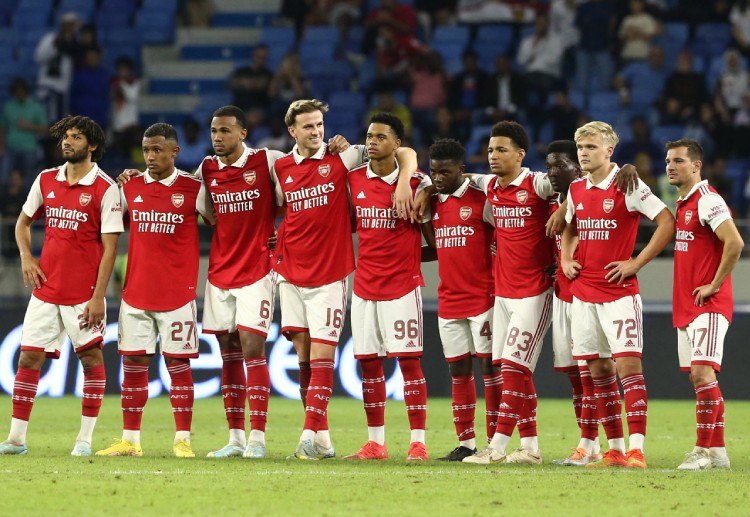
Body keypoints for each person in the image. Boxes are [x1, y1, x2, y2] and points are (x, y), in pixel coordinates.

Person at [272, 99, 418, 460]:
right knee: (304, 358)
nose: (316, 132)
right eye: (308, 126)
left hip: (330, 273)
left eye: (319, 125)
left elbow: (404, 151)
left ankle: (308, 436)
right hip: (290, 272)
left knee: (323, 355)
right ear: (292, 131)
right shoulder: (281, 166)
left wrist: (404, 181)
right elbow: (279, 208)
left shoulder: (344, 156)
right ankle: (322, 440)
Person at [0, 115, 122, 456]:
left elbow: (110, 248)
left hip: (83, 293)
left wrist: (98, 296)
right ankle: (16, 439)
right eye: (66, 136)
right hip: (46, 288)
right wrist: (27, 256)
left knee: (91, 359)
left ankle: (84, 440)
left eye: (76, 136)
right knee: (28, 358)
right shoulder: (45, 179)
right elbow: (22, 224)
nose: (67, 141)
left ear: (92, 145)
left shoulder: (105, 188)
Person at [561, 121, 675, 468]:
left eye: (591, 147)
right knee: (598, 369)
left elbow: (666, 221)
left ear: (609, 150)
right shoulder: (576, 188)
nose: (584, 153)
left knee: (628, 366)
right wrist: (566, 257)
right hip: (583, 293)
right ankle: (615, 450)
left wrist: (636, 262)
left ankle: (637, 450)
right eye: (581, 147)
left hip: (619, 293)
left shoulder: (628, 183)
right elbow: (570, 226)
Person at [95, 123, 213, 458]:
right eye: (147, 149)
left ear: (175, 152)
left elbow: (223, 221)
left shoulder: (193, 188)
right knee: (133, 364)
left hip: (178, 294)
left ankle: (182, 440)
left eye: (157, 150)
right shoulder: (129, 187)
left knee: (178, 365)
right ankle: (130, 440)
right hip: (136, 293)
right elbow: (106, 228)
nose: (150, 156)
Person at [463, 121, 557, 466]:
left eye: (501, 150)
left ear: (520, 154)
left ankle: (497, 447)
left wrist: (623, 168)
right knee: (510, 369)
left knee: (516, 367)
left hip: (535, 291)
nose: (493, 156)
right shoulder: (490, 186)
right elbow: (464, 178)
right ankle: (530, 447)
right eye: (490, 150)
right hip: (503, 293)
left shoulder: (538, 184)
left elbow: (574, 181)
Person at [197, 106, 286, 459]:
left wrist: (283, 232)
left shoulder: (267, 161)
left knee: (252, 348)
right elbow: (202, 210)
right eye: (214, 131)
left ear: (242, 133)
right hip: (220, 271)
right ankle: (235, 438)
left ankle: (257, 439)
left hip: (258, 269)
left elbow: (299, 193)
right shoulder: (206, 169)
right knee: (228, 352)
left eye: (225, 130)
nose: (217, 137)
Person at [344, 113, 433, 461]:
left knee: (409, 364)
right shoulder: (353, 180)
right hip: (364, 286)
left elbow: (434, 241)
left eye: (381, 137)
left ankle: (418, 442)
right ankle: (375, 443)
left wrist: (408, 257)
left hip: (402, 286)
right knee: (369, 365)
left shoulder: (418, 184)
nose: (372, 142)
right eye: (369, 136)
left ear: (397, 144)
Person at [666, 139, 743, 470]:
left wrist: (714, 284)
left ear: (696, 166)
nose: (670, 166)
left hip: (709, 304)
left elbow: (735, 242)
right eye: (668, 161)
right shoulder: (683, 203)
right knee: (700, 378)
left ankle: (702, 450)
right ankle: (718, 452)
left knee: (702, 372)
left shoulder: (707, 200)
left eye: (679, 161)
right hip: (688, 306)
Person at [424, 138, 499, 462]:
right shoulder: (432, 204)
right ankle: (466, 442)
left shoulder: (481, 200)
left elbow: (505, 236)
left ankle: (495, 442)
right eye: (434, 172)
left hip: (484, 297)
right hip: (449, 299)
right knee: (458, 370)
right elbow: (436, 246)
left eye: (445, 172)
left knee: (490, 368)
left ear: (461, 170)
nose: (438, 178)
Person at [545, 140, 603, 466]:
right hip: (561, 294)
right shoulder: (553, 201)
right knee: (573, 374)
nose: (552, 173)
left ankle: (588, 443)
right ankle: (590, 444)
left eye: (559, 166)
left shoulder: (588, 198)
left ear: (578, 169)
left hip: (586, 295)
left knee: (588, 372)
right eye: (549, 166)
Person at [0, 78, 48, 190]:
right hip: (10, 148)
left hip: (29, 149)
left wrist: (30, 126)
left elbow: (45, 129)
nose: (19, 94)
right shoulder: (8, 106)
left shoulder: (36, 107)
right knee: (5, 177)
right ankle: (4, 199)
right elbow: (2, 127)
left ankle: (26, 199)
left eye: (21, 91)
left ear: (26, 91)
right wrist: (1, 144)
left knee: (29, 178)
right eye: (17, 92)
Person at [34, 12, 81, 122]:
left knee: (59, 122)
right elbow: (38, 57)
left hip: (63, 89)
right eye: (67, 25)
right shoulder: (50, 38)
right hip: (47, 86)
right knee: (45, 120)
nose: (69, 28)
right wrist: (54, 47)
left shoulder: (75, 44)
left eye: (72, 25)